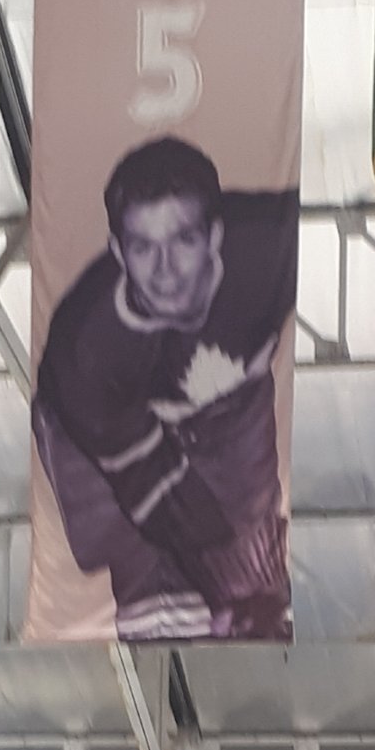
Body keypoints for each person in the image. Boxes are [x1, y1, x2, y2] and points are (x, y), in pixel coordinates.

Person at [32, 136, 298, 641]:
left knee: (250, 518)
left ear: (216, 236)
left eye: (183, 241)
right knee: (133, 544)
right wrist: (225, 591)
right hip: (92, 430)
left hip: (222, 390)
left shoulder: (269, 248)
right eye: (143, 247)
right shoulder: (87, 352)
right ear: (117, 251)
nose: (165, 270)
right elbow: (152, 489)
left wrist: (253, 588)